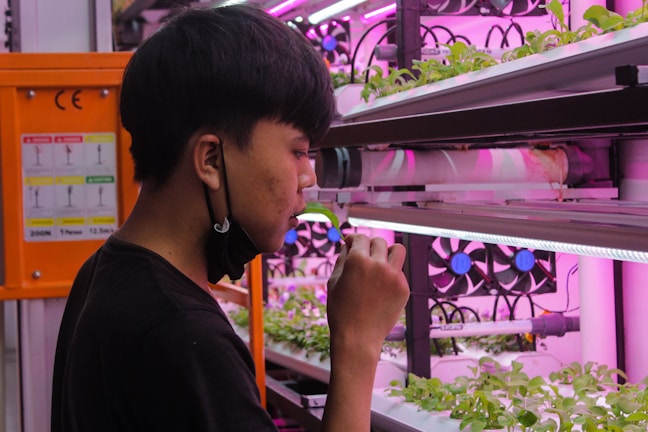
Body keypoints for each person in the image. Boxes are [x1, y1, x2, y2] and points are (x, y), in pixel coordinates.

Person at [51, 4, 410, 432]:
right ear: (211, 159)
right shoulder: (182, 337)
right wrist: (357, 344)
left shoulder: (104, 272)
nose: (309, 175)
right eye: (297, 150)